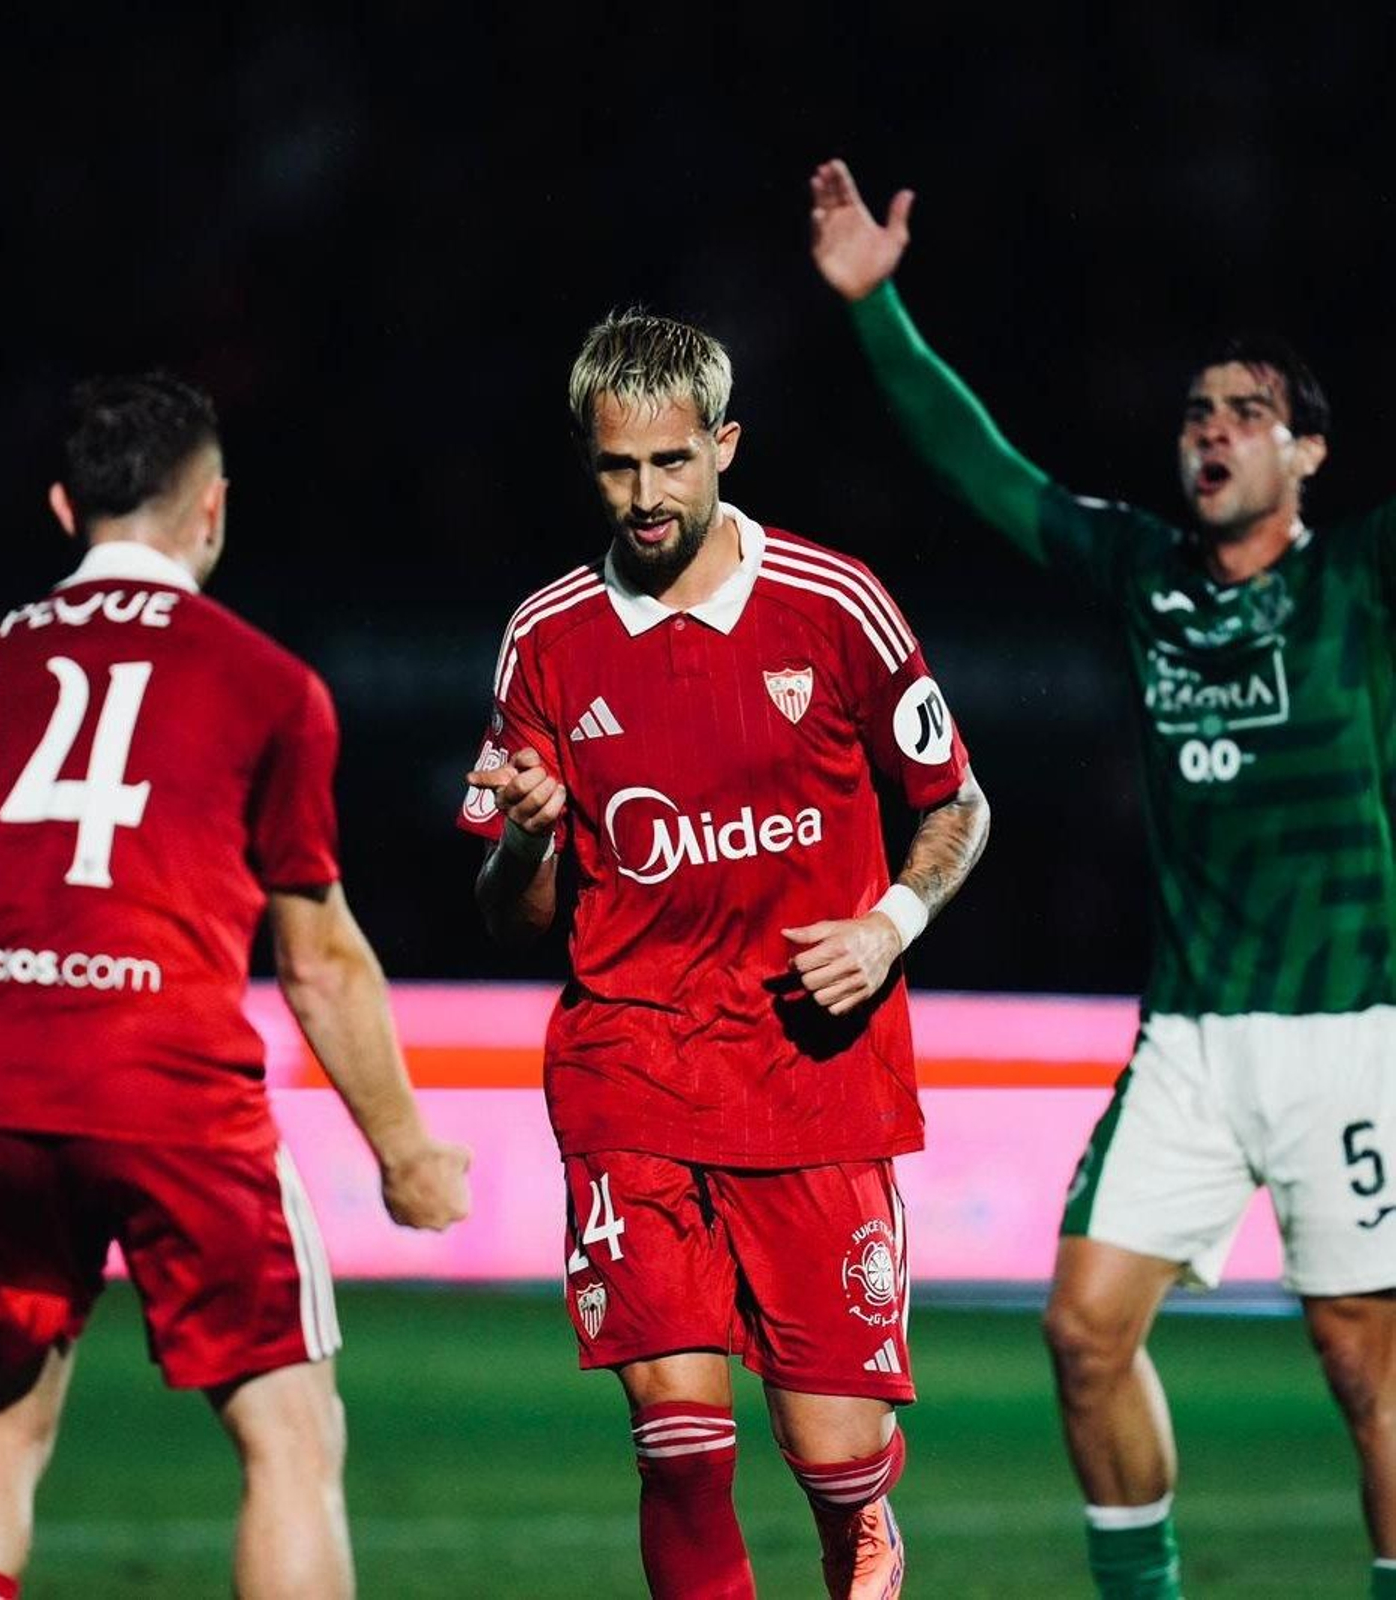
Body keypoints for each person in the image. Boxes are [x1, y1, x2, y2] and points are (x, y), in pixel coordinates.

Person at [810, 155, 1396, 1600]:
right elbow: (985, 474)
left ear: (1309, 455)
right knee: (1082, 1331)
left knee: (1361, 1362)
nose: (1213, 433)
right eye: (1198, 412)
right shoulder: (1145, 575)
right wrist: (879, 311)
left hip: (1350, 1033)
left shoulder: (1356, 586)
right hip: (1191, 1037)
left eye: (1249, 414)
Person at [459, 309, 990, 1598]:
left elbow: (957, 801)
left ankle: (861, 1513)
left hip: (813, 1067)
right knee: (682, 1442)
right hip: (629, 1057)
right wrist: (529, 846)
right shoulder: (545, 638)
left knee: (829, 1451)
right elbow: (508, 917)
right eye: (615, 468)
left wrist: (887, 925)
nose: (644, 497)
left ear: (725, 447)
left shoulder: (835, 603)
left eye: (671, 463)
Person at [0, 373, 471, 1600]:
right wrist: (406, 1149)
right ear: (212, 509)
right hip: (166, 1083)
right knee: (290, 1436)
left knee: (0, 1429)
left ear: (66, 507)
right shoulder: (264, 683)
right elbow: (317, 956)